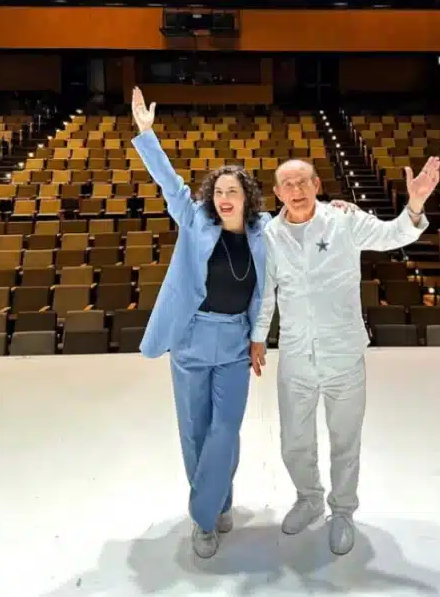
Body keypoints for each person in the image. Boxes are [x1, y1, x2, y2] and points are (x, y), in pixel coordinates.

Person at [129, 88, 357, 559]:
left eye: (233, 190)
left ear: (247, 197)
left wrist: (339, 209)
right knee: (194, 431)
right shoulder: (194, 222)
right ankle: (214, 511)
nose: (225, 197)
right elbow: (170, 183)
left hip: (235, 342)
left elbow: (303, 215)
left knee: (225, 429)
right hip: (191, 341)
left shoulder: (264, 232)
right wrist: (147, 135)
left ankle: (202, 511)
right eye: (218, 191)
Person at [249, 156, 440, 556]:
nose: (297, 191)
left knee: (345, 440)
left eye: (303, 182)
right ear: (278, 192)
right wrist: (257, 338)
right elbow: (266, 292)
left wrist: (416, 203)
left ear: (317, 184)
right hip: (296, 356)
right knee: (293, 442)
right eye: (288, 184)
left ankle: (342, 511)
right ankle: (308, 497)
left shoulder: (344, 220)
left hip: (344, 354)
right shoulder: (270, 234)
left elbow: (394, 235)